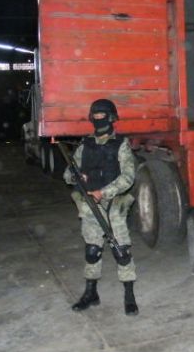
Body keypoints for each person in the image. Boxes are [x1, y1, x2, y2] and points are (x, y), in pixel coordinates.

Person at [63, 98, 139, 315]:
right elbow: (68, 173)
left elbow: (128, 177)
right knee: (92, 249)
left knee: (121, 251)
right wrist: (77, 177)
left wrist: (103, 193)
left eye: (102, 117)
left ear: (111, 118)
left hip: (113, 204)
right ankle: (91, 293)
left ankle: (129, 296)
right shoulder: (85, 144)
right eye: (94, 117)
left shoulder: (120, 144)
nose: (98, 121)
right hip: (89, 205)